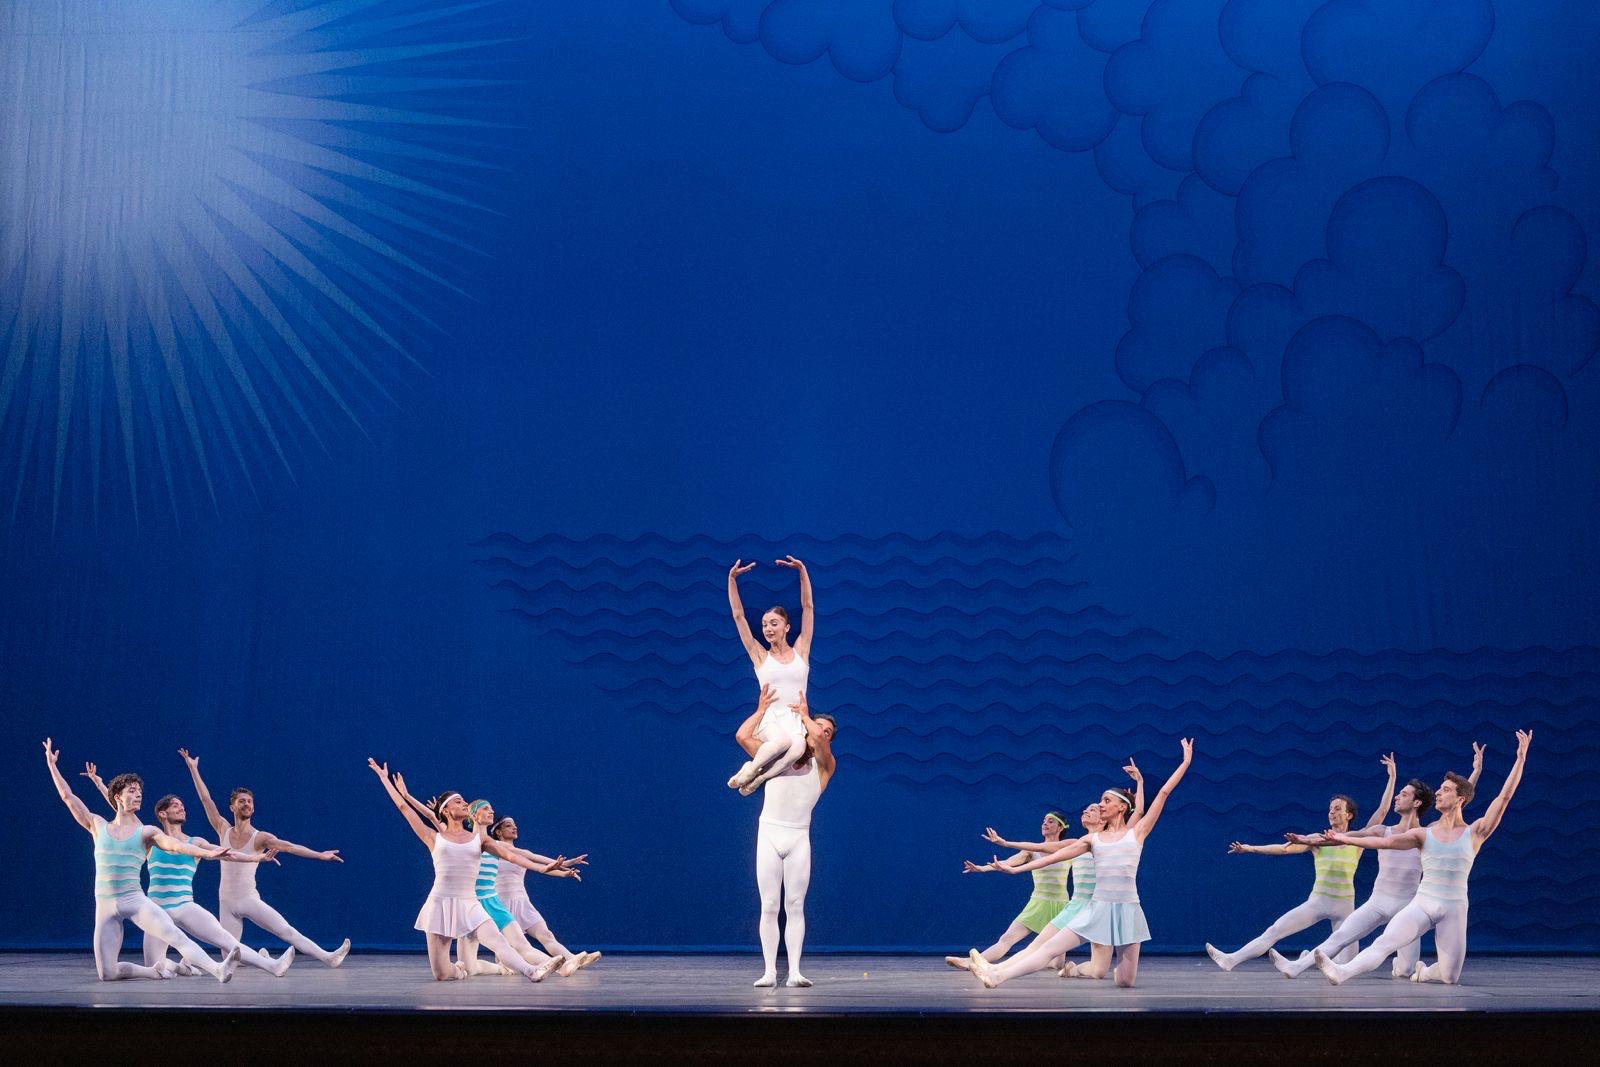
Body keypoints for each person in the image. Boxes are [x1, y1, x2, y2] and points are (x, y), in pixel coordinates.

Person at [968, 738, 1195, 989]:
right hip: (1096, 909)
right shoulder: (1092, 839)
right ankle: (997, 976)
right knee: (1047, 949)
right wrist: (1015, 869)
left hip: (1128, 910)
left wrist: (1184, 762)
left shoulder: (1136, 833)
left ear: (1122, 807)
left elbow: (1162, 794)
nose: (1100, 804)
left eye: (1106, 801)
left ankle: (1110, 972)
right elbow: (1052, 855)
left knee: (1126, 981)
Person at [1313, 730, 1531, 985]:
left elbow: (1503, 798)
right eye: (1439, 789)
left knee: (1450, 976)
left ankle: (1425, 972)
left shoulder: (1475, 832)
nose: (1437, 793)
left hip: (1454, 908)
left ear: (1459, 799)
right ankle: (1342, 972)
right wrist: (1346, 838)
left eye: (1445, 790)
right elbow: (1384, 841)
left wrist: (1520, 759)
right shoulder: (1424, 834)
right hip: (1422, 904)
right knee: (1384, 943)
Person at [1271, 744, 1484, 979]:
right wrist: (1307, 839)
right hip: (1377, 903)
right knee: (1340, 936)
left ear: (1416, 803)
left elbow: (1460, 802)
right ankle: (1296, 967)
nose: (1397, 797)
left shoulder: (1428, 833)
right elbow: (1346, 838)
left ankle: (1412, 970)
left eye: (1404, 794)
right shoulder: (1384, 831)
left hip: (1408, 907)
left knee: (1405, 970)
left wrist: (1475, 772)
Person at [44, 739, 241, 983]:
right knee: (107, 973)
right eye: (132, 792)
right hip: (105, 906)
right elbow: (67, 796)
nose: (138, 795)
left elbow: (175, 845)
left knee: (177, 937)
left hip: (135, 901)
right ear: (118, 797)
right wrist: (52, 765)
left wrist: (209, 853)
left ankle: (217, 969)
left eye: (140, 792)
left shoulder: (145, 831)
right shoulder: (97, 825)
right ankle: (151, 971)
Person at [367, 759, 572, 982]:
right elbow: (404, 808)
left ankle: (531, 970)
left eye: (464, 801)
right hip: (439, 903)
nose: (464, 803)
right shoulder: (434, 837)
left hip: (470, 903)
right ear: (445, 810)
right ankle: (461, 969)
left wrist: (544, 868)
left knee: (498, 941)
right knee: (442, 973)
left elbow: (512, 856)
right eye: (458, 802)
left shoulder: (479, 839)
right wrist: (384, 778)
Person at [80, 762, 292, 977]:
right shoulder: (147, 836)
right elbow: (119, 807)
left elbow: (227, 852)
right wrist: (99, 782)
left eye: (182, 806)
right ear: (162, 813)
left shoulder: (193, 842)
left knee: (227, 941)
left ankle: (272, 966)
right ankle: (182, 966)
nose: (182, 808)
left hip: (184, 906)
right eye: (176, 805)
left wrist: (255, 857)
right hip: (156, 907)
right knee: (156, 964)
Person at [1203, 759, 1399, 971]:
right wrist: (1250, 848)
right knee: (1275, 930)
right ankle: (1231, 959)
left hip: (1345, 907)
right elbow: (1283, 849)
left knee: (1343, 964)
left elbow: (1382, 811)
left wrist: (1392, 777)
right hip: (1318, 902)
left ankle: (1306, 959)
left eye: (1337, 809)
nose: (1331, 812)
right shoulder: (1316, 840)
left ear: (1348, 815)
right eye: (1330, 809)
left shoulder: (1357, 840)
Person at [953, 760, 1145, 972]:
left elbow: (1137, 815)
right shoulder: (1079, 843)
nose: (1094, 808)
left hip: (1098, 907)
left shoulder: (1114, 839)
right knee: (1038, 948)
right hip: (1075, 905)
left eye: (1098, 806)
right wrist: (1004, 846)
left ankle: (1070, 970)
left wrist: (1139, 786)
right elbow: (1039, 850)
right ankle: (991, 968)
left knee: (1097, 970)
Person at [180, 748, 351, 967]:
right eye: (242, 801)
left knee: (285, 931)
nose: (247, 804)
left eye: (250, 801)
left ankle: (329, 957)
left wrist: (320, 855)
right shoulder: (222, 828)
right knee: (227, 957)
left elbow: (289, 846)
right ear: (232, 806)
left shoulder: (260, 837)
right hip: (226, 901)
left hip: (248, 899)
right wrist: (193, 769)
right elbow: (206, 799)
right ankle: (262, 959)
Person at [736, 685, 837, 987]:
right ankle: (769, 971)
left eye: (828, 731)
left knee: (794, 905)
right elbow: (742, 736)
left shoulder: (825, 766)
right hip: (769, 832)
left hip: (797, 839)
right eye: (820, 725)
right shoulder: (776, 757)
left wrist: (806, 717)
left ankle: (794, 971)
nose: (822, 731)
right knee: (769, 905)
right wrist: (760, 710)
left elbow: (817, 738)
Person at [726, 556, 814, 795]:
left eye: (773, 623)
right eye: (765, 624)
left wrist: (802, 571)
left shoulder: (801, 651)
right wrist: (732, 580)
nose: (767, 628)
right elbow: (738, 616)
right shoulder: (760, 656)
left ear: (786, 627)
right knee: (784, 743)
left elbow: (808, 607)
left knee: (797, 748)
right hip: (771, 718)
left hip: (794, 719)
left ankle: (756, 778)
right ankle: (751, 770)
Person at [489, 815, 601, 973]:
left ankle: (572, 959)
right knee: (507, 951)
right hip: (501, 903)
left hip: (522, 902)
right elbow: (535, 859)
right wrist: (564, 864)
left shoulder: (521, 852)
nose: (514, 828)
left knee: (546, 934)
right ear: (498, 832)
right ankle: (500, 966)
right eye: (508, 826)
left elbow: (539, 864)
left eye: (515, 825)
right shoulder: (493, 846)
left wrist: (563, 871)